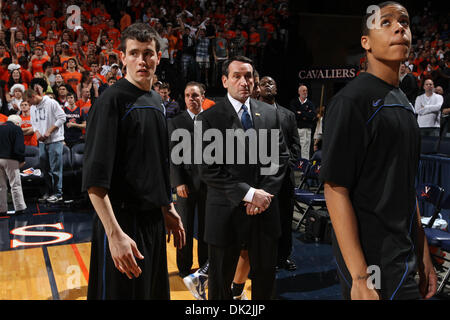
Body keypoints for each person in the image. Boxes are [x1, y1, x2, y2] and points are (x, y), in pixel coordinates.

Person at [320, 2, 437, 300]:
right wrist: (360, 277)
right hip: (373, 262)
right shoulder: (352, 101)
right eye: (385, 22)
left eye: (404, 22)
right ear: (366, 43)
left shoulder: (403, 101)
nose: (400, 27)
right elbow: (335, 188)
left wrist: (423, 254)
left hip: (403, 256)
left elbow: (405, 186)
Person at [82, 22, 185, 300]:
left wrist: (167, 206)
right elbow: (94, 181)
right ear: (123, 57)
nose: (142, 60)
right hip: (121, 223)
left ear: (158, 57)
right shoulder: (110, 102)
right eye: (135, 53)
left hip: (152, 220)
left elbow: (156, 162)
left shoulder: (155, 100)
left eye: (149, 53)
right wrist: (114, 235)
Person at [197, 56, 288, 300]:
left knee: (265, 282)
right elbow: (208, 170)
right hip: (226, 214)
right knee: (219, 286)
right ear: (225, 81)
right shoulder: (208, 119)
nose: (244, 81)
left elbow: (279, 159)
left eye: (248, 76)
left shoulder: (270, 114)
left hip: (264, 212)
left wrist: (263, 197)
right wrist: (250, 194)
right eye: (237, 76)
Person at [168, 82, 208, 298]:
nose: (191, 99)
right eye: (187, 95)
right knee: (183, 227)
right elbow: (173, 156)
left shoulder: (212, 121)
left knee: (205, 228)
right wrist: (178, 182)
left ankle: (204, 267)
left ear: (203, 97)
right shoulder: (176, 122)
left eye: (195, 95)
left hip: (208, 185)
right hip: (185, 184)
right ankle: (184, 267)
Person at [259, 75, 301, 271]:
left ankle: (283, 257)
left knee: (285, 217)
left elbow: (295, 145)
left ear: (276, 89)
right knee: (265, 220)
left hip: (284, 177)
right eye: (264, 83)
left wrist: (287, 165)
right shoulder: (251, 112)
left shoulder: (288, 115)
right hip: (261, 177)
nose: (268, 85)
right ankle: (265, 257)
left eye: (271, 83)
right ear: (258, 89)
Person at [26, 88, 66, 204]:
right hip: (42, 142)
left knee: (55, 169)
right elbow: (34, 123)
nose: (29, 105)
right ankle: (49, 192)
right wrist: (37, 133)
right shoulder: (33, 108)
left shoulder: (51, 103)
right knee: (45, 169)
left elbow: (62, 117)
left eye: (29, 101)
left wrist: (49, 131)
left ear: (33, 96)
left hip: (55, 140)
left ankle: (58, 194)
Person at [0, 114, 27, 216]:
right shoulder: (16, 129)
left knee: (1, 186)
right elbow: (19, 147)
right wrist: (21, 160)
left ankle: (1, 209)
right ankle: (19, 208)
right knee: (15, 184)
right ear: (17, 123)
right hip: (10, 159)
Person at [289, 84, 316, 159]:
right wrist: (306, 114)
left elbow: (313, 115)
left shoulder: (310, 103)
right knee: (298, 149)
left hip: (307, 129)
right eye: (303, 90)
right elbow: (294, 115)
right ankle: (298, 167)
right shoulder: (294, 102)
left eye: (306, 90)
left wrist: (301, 113)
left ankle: (304, 168)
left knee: (306, 149)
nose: (305, 92)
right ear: (299, 92)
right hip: (298, 129)